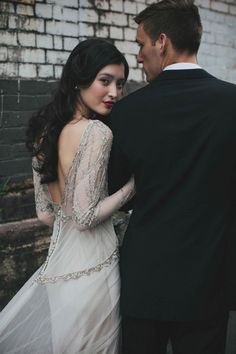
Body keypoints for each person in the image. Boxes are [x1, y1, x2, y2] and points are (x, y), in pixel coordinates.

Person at [108, 1, 236, 353]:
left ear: (161, 42)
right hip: (208, 279)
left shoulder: (128, 112)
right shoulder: (232, 103)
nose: (138, 55)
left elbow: (117, 189)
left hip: (145, 279)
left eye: (140, 44)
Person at [0, 38, 135, 353]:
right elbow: (86, 217)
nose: (115, 92)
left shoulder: (46, 132)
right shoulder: (97, 132)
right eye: (105, 81)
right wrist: (133, 186)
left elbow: (46, 214)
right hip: (95, 268)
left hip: (59, 272)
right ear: (79, 80)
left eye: (120, 83)